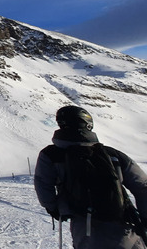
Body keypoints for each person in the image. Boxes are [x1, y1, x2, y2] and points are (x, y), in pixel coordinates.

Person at [35, 105, 147, 248]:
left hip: (84, 228)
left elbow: (43, 184)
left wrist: (54, 208)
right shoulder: (112, 155)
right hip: (124, 227)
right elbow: (143, 185)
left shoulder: (51, 155)